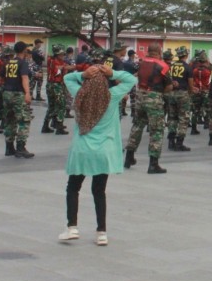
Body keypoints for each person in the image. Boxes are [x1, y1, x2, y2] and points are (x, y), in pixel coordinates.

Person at [59, 59, 137, 245]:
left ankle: (72, 227)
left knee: (73, 188)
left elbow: (68, 78)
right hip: (104, 151)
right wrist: (113, 74)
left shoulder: (80, 94)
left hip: (82, 150)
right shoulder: (112, 96)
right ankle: (101, 232)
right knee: (99, 191)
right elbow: (131, 80)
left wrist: (82, 74)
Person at [124, 44, 171, 174]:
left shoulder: (141, 63)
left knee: (137, 126)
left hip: (140, 95)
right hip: (154, 97)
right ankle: (153, 164)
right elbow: (168, 86)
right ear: (159, 52)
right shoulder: (163, 65)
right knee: (156, 130)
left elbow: (137, 76)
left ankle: (129, 157)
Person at [0, 41, 35, 158]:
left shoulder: (7, 63)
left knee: (10, 119)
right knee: (24, 120)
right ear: (24, 50)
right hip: (18, 94)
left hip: (7, 93)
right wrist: (27, 93)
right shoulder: (22, 63)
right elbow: (24, 77)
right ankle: (21, 147)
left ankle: (9, 147)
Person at [165, 46, 193, 153]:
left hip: (171, 93)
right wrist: (190, 93)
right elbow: (190, 83)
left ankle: (171, 141)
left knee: (172, 117)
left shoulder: (171, 66)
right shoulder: (187, 67)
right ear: (186, 55)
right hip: (182, 94)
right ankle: (179, 143)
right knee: (183, 118)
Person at [42, 45, 73, 135]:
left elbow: (66, 67)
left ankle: (46, 125)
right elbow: (62, 70)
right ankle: (59, 127)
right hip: (56, 85)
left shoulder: (51, 60)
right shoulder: (56, 62)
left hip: (50, 85)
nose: (63, 55)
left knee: (51, 106)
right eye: (61, 54)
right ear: (57, 54)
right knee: (61, 105)